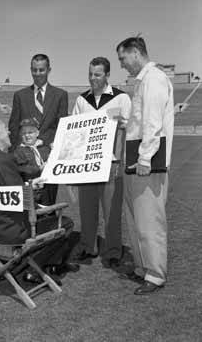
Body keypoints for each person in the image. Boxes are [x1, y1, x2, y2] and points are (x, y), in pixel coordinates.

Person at [0, 116, 78, 284]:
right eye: (5, 129)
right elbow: (25, 203)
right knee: (65, 223)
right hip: (9, 231)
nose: (9, 132)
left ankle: (27, 266)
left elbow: (4, 191)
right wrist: (38, 204)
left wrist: (29, 185)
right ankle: (34, 269)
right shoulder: (3, 160)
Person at [116, 36, 174, 295]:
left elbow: (153, 123)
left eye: (123, 58)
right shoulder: (143, 82)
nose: (122, 64)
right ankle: (142, 266)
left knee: (149, 219)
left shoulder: (154, 79)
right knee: (136, 218)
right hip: (135, 159)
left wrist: (144, 159)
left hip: (146, 162)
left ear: (136, 53)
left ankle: (155, 273)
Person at [71, 57, 131, 268]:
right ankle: (89, 247)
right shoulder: (81, 100)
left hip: (111, 163)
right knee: (87, 210)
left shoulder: (121, 98)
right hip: (86, 164)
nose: (92, 78)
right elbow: (74, 130)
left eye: (97, 74)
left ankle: (114, 251)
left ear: (107, 75)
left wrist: (119, 122)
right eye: (90, 74)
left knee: (112, 211)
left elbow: (131, 126)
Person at [8, 54, 69, 204]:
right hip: (25, 161)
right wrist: (15, 155)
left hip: (49, 157)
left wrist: (43, 141)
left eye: (41, 70)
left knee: (48, 202)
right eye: (34, 70)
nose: (37, 74)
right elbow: (14, 126)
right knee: (28, 203)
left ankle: (48, 225)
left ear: (49, 70)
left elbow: (62, 127)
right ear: (30, 70)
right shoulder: (20, 96)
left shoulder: (60, 95)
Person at [13, 117, 54, 205]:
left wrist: (54, 151)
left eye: (30, 132)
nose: (27, 136)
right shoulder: (19, 151)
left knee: (49, 209)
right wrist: (39, 168)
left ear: (37, 133)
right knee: (33, 213)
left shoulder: (44, 148)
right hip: (31, 189)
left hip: (47, 188)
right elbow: (21, 169)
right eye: (24, 133)